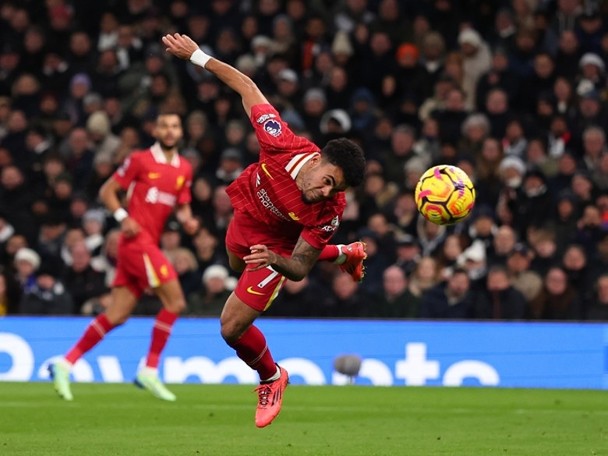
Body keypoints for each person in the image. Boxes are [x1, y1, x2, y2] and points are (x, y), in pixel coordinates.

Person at [163, 33, 367, 428]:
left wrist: (275, 259)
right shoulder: (282, 144)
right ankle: (346, 253)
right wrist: (198, 56)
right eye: (327, 180)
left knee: (231, 325)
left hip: (277, 246)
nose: (324, 191)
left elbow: (300, 268)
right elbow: (247, 86)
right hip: (248, 216)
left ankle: (272, 377)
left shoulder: (329, 209)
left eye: (334, 189)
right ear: (318, 160)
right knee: (236, 263)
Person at [49, 112, 199, 402]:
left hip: (148, 244)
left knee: (116, 315)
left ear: (181, 132)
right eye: (165, 125)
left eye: (175, 126)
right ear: (156, 129)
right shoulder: (140, 160)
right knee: (176, 301)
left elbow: (182, 206)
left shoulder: (184, 168)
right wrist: (122, 216)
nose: (170, 131)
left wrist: (188, 221)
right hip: (136, 243)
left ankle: (64, 364)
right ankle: (150, 369)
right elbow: (108, 191)